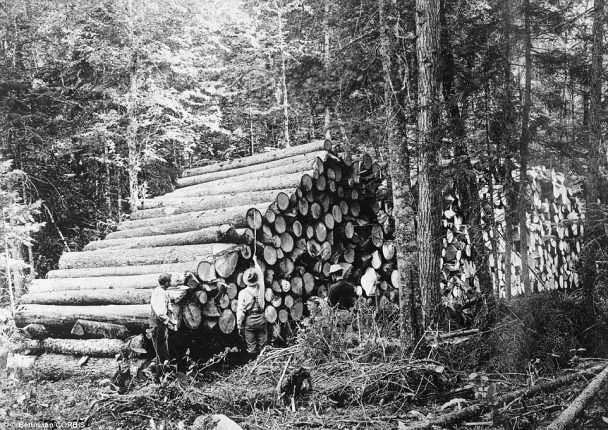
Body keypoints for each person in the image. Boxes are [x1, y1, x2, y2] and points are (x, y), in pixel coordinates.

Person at [236, 259, 267, 357]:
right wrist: (255, 261)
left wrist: (239, 326)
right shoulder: (261, 288)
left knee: (251, 348)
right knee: (264, 347)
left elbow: (240, 313)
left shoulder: (242, 293)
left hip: (249, 322)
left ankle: (253, 363)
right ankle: (263, 364)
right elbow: (261, 275)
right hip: (261, 319)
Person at [149, 273, 178, 367]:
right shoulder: (160, 293)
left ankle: (163, 375)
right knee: (161, 353)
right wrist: (171, 321)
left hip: (159, 324)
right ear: (166, 283)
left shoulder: (160, 290)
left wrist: (168, 307)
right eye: (169, 281)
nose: (170, 283)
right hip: (158, 325)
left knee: (163, 351)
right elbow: (160, 313)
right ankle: (161, 377)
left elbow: (163, 305)